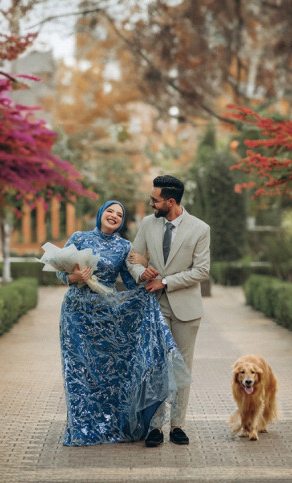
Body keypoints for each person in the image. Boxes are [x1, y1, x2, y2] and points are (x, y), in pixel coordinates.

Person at [56, 200, 191, 447]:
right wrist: (73, 277)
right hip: (76, 316)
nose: (114, 216)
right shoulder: (78, 237)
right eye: (110, 211)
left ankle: (113, 424)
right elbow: (59, 270)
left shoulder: (123, 247)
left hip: (106, 318)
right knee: (79, 372)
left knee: (110, 374)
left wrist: (148, 277)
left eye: (119, 214)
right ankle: (82, 428)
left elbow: (131, 284)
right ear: (100, 213)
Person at [127, 175, 211, 447]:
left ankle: (177, 425)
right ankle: (155, 426)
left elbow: (202, 270)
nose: (151, 203)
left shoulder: (200, 229)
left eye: (155, 199)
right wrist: (142, 274)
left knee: (182, 368)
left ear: (171, 201)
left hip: (187, 309)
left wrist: (165, 281)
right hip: (154, 307)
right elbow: (133, 258)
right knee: (155, 367)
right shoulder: (148, 224)